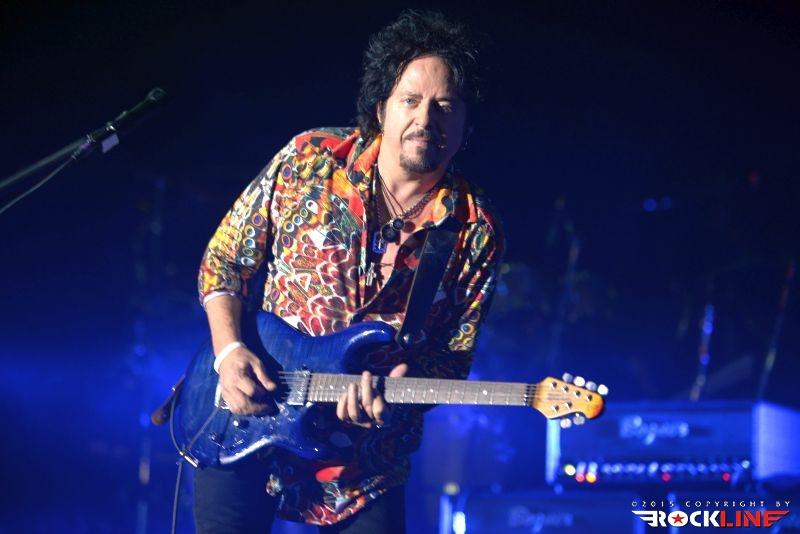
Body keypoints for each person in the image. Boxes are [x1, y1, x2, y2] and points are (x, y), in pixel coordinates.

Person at [194, 9, 505, 533]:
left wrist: (399, 395)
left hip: (364, 462)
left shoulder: (475, 230)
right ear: (381, 107)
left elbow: (451, 358)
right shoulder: (310, 159)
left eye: (445, 106)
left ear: (466, 125)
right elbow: (225, 260)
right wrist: (228, 352)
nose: (425, 118)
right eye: (410, 100)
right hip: (245, 415)